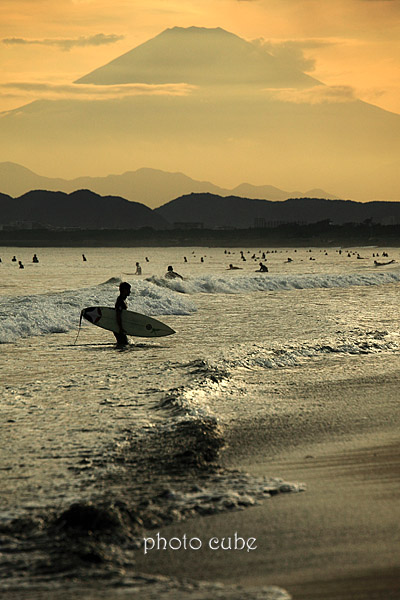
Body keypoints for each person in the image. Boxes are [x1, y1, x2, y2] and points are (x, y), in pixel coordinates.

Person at [114, 281, 131, 346]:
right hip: (118, 327)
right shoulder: (120, 301)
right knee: (123, 344)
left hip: (120, 327)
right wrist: (120, 328)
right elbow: (118, 315)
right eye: (128, 290)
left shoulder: (122, 300)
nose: (130, 292)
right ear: (124, 290)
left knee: (123, 344)